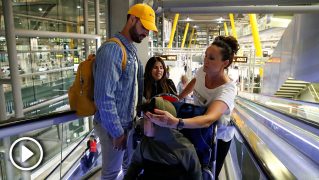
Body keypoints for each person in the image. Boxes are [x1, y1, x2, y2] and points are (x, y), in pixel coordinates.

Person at [145, 35, 239, 179]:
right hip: (196, 126)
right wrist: (179, 97)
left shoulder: (227, 89)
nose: (205, 61)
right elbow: (195, 81)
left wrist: (176, 122)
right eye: (206, 56)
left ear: (225, 63)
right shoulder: (204, 70)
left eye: (212, 58)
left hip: (216, 138)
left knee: (207, 172)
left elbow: (209, 119)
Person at [93, 4, 158, 180]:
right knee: (111, 174)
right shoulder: (113, 50)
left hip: (127, 123)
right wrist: (117, 132)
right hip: (113, 126)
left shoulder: (131, 51)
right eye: (144, 27)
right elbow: (104, 97)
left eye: (149, 29)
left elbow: (133, 88)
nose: (146, 33)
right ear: (132, 19)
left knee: (129, 167)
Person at [124, 97, 202, 180]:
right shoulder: (145, 143)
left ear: (160, 123)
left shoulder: (185, 149)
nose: (142, 123)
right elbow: (135, 165)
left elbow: (196, 177)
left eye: (146, 119)